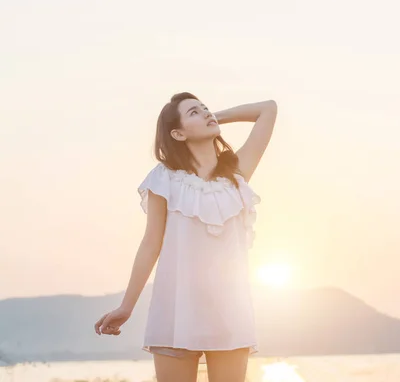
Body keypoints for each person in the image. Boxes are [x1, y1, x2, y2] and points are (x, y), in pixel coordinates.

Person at [94, 92, 277, 382]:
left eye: (205, 108)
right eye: (194, 112)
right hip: (175, 308)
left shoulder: (237, 174)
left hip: (230, 310)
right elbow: (150, 244)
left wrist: (211, 115)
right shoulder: (164, 178)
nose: (206, 113)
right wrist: (126, 306)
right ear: (177, 133)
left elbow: (267, 109)